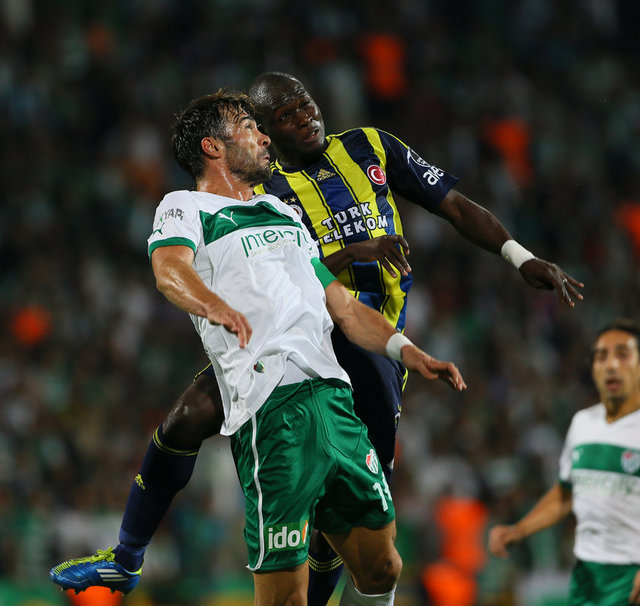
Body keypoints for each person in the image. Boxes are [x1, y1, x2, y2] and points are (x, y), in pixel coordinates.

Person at [50, 73, 584, 603]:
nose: (272, 132)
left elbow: (346, 301)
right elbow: (171, 269)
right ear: (218, 145)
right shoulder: (192, 204)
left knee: (382, 564)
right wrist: (216, 305)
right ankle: (127, 556)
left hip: (341, 373)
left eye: (298, 108)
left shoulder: (304, 197)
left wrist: (410, 349)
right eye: (259, 125)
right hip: (273, 397)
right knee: (190, 420)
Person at [488, 318, 640, 606]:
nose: (611, 365)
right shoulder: (582, 424)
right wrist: (519, 529)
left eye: (622, 355)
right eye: (601, 356)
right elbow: (565, 494)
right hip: (589, 578)